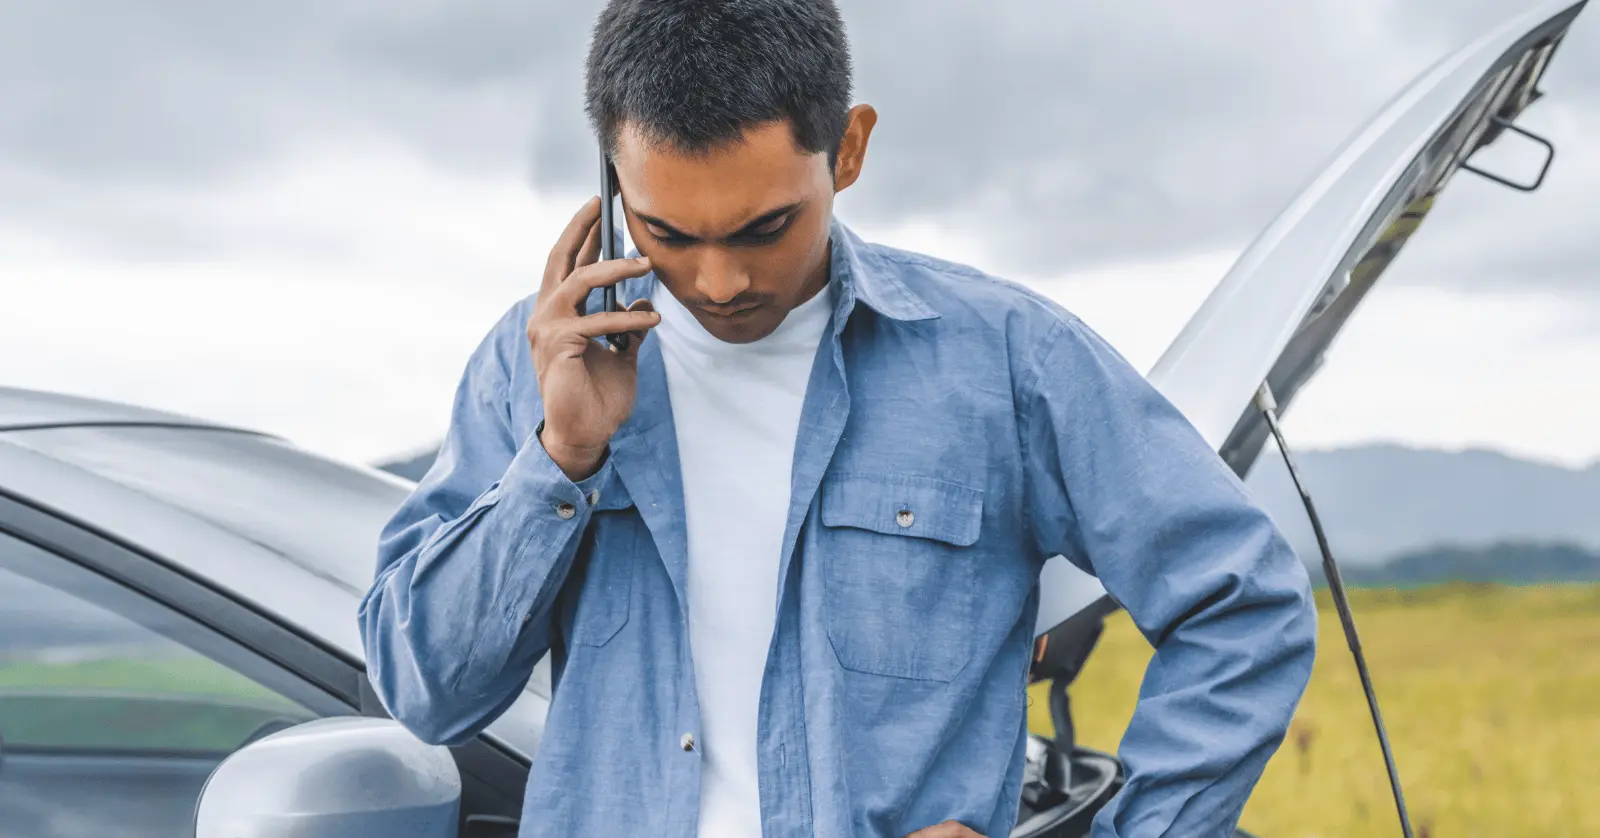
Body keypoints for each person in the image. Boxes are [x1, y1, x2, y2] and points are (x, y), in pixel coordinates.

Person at [358, 1, 1318, 836]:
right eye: (669, 233)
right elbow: (427, 693)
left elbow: (1243, 601)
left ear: (848, 149)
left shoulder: (1004, 361)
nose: (720, 282)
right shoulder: (530, 371)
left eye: (765, 227)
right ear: (612, 176)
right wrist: (561, 457)